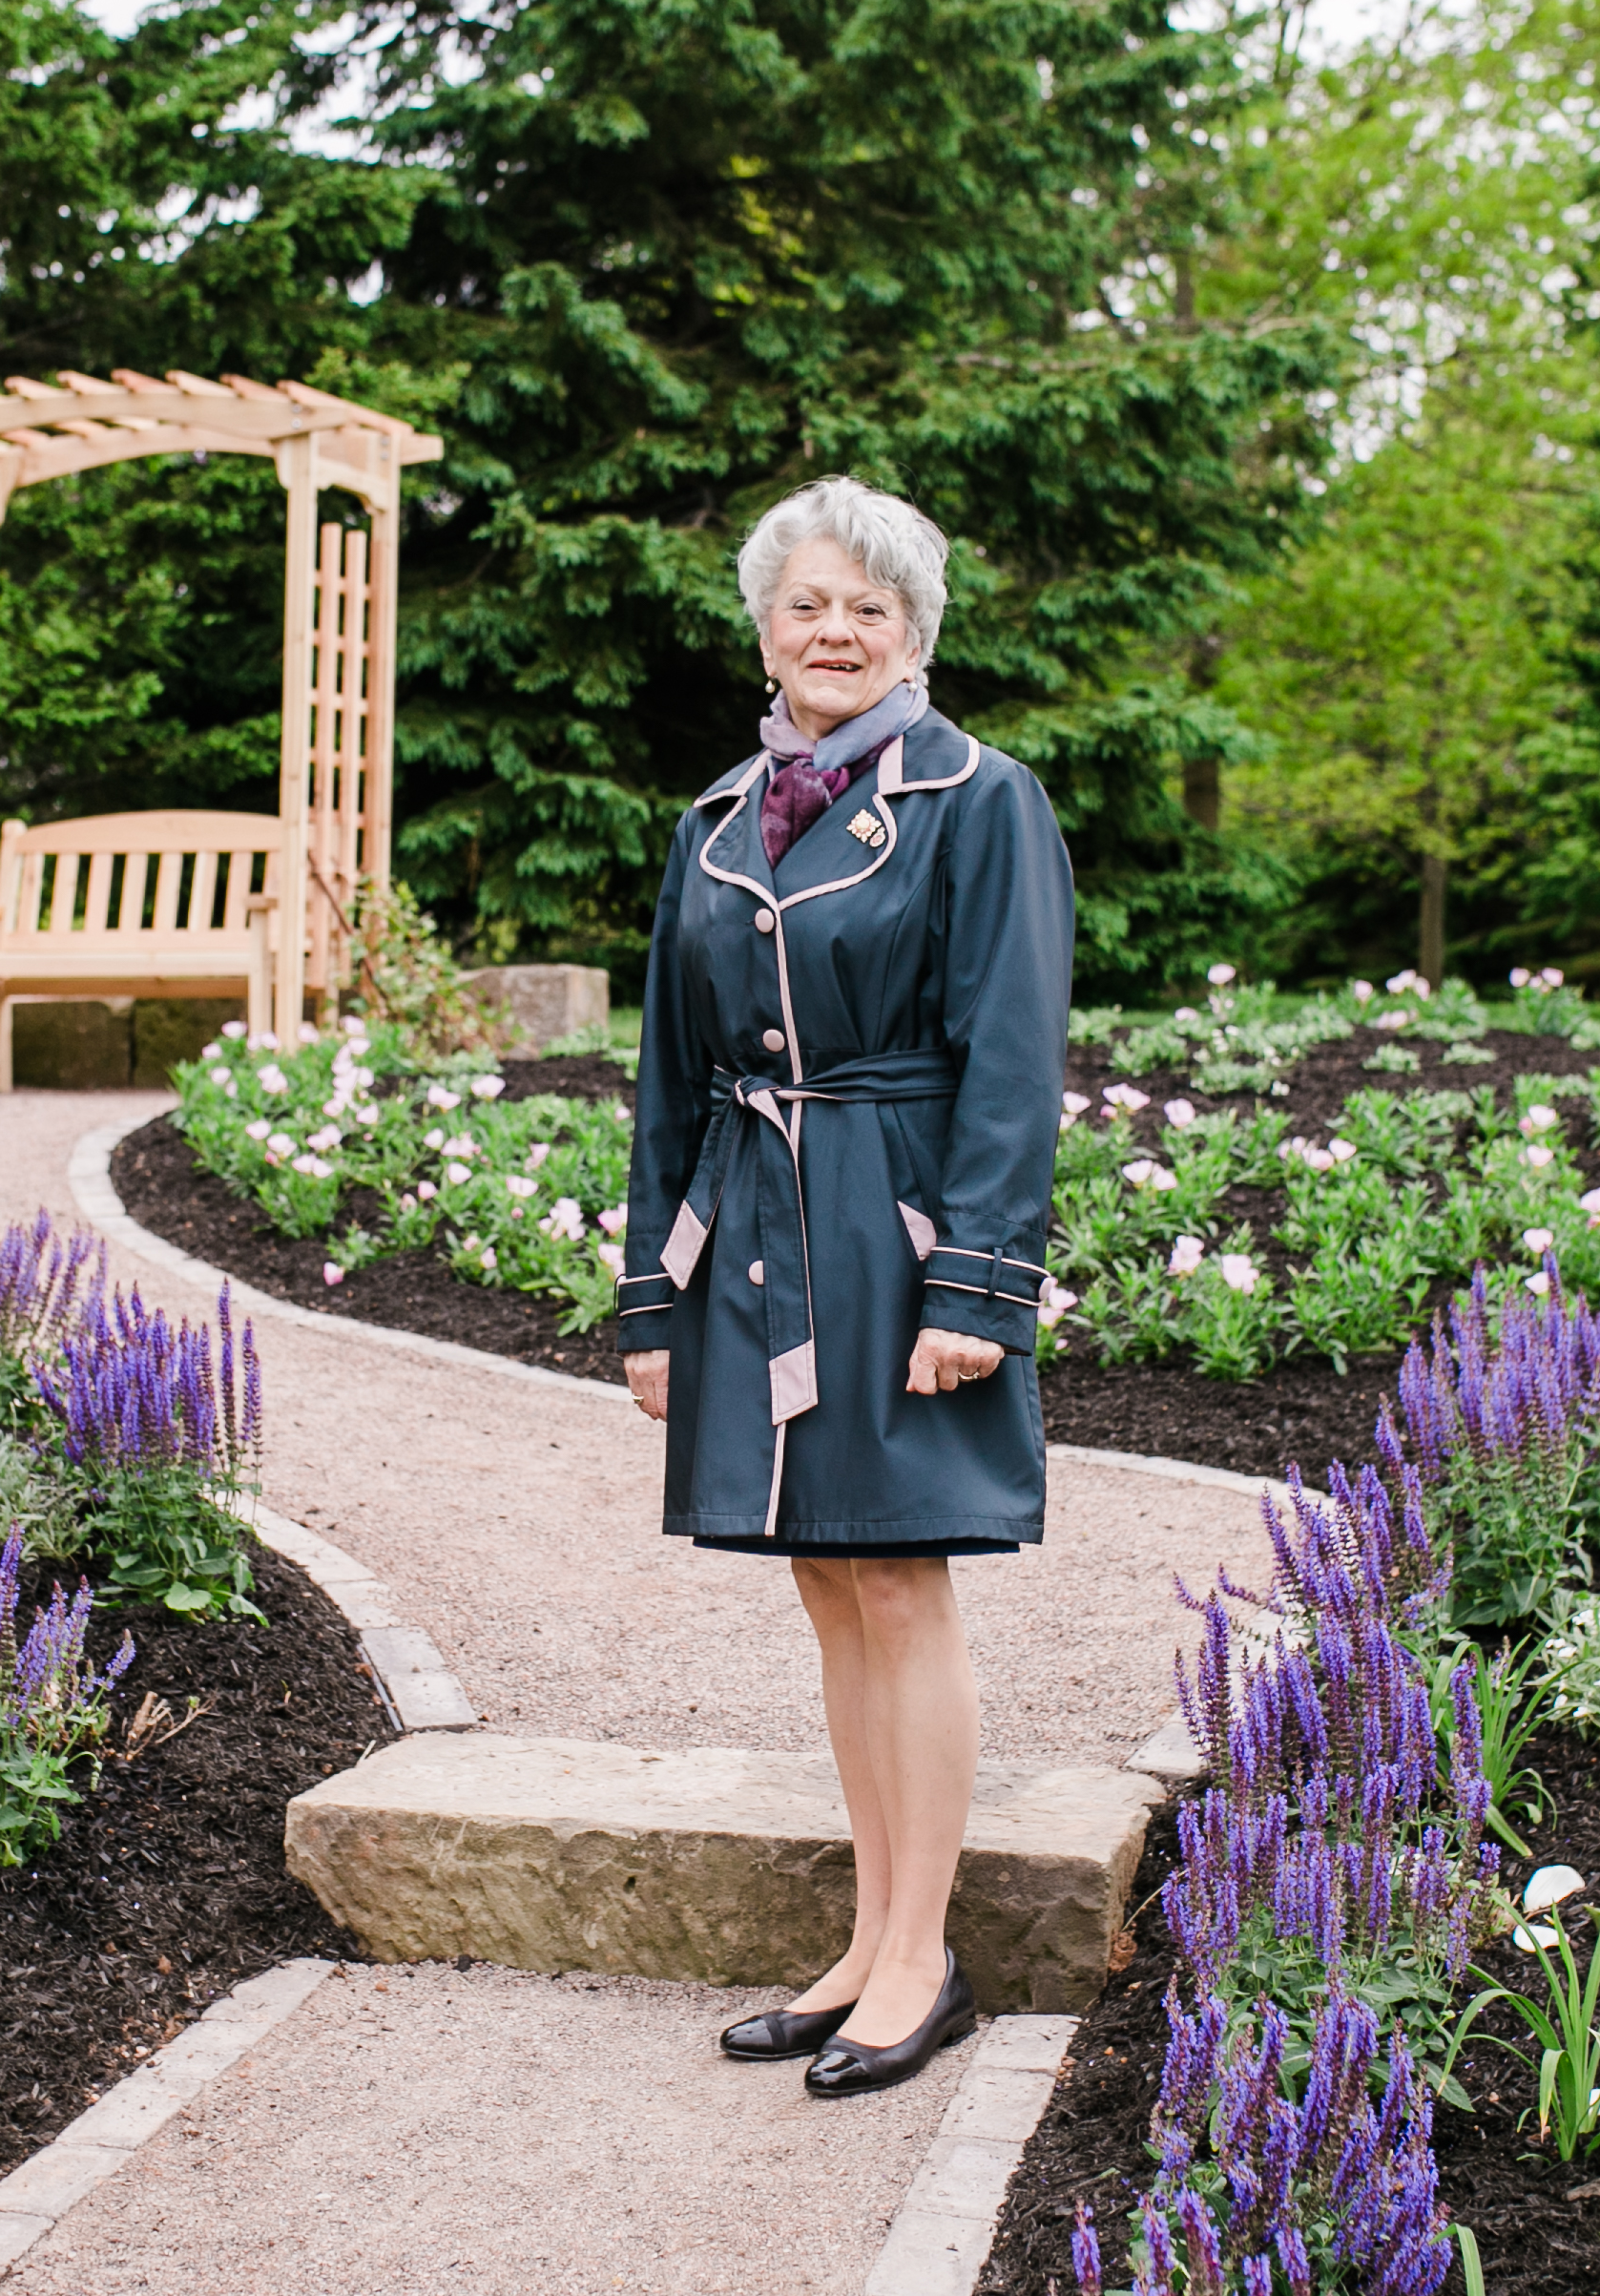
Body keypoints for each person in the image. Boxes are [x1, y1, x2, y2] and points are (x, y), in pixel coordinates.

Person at [613, 475, 1074, 2098]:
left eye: (867, 608)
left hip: (896, 1228)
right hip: (751, 1234)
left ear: (913, 635)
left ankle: (924, 1953)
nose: (833, 629)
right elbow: (670, 1076)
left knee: (898, 1579)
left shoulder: (980, 800)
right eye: (808, 602)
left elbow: (1013, 1068)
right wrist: (648, 1304)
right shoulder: (713, 821)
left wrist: (979, 1289)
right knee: (823, 1579)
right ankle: (871, 1937)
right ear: (765, 626)